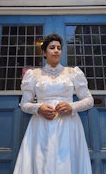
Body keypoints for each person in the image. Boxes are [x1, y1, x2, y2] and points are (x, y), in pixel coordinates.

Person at [13, 33, 94, 174]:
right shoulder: (34, 74)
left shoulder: (73, 72)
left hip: (68, 125)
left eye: (59, 47)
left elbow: (89, 100)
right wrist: (39, 108)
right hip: (41, 126)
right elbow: (24, 104)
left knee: (68, 162)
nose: (56, 50)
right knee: (41, 161)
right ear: (44, 52)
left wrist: (72, 107)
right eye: (52, 47)